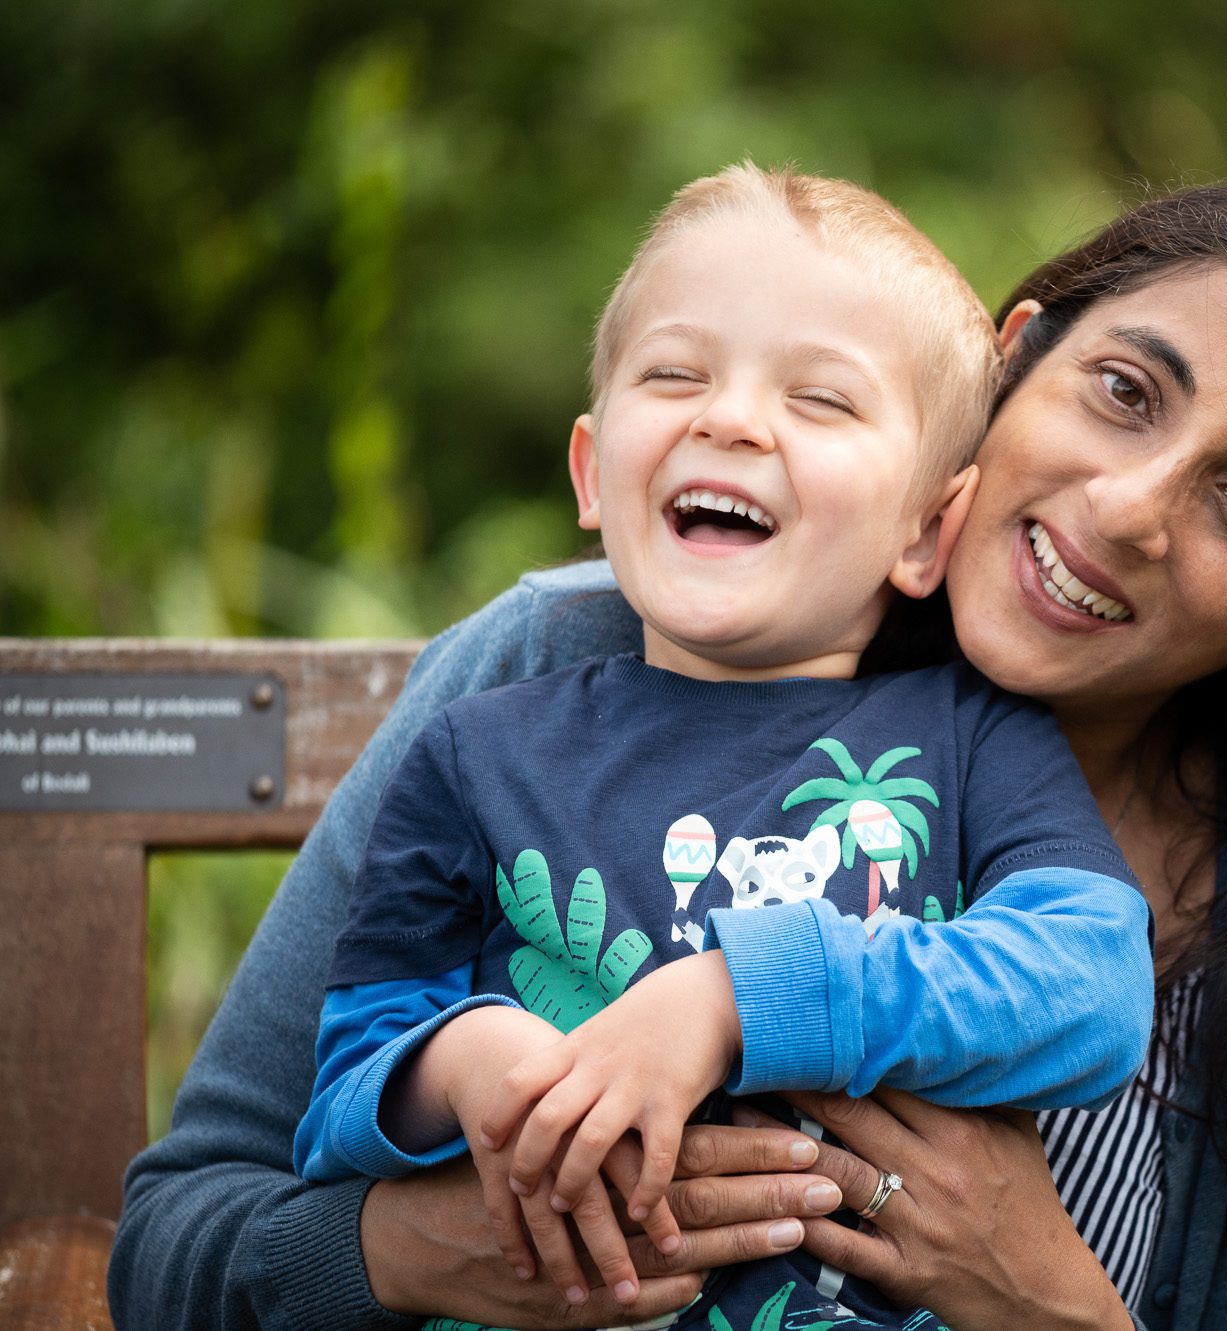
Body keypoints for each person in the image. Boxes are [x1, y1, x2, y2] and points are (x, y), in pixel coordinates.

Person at [111, 179, 1227, 1331]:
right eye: (1125, 392)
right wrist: (436, 1240)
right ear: (1013, 368)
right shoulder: (549, 676)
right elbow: (179, 1243)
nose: (1135, 504)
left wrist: (1042, 1298)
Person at [292, 163, 1154, 1331]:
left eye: (820, 400)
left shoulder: (969, 738)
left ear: (925, 531)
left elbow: (1090, 988)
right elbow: (340, 1082)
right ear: (594, 471)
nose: (730, 417)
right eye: (675, 373)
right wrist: (465, 1062)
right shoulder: (475, 752)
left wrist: (740, 997)